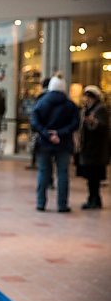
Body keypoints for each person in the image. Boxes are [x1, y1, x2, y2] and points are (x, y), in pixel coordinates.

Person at [31, 76, 79, 213]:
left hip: (44, 143)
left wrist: (46, 133)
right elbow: (75, 123)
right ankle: (62, 205)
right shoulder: (70, 105)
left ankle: (41, 203)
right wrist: (60, 133)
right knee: (63, 174)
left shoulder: (41, 102)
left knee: (43, 172)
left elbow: (34, 122)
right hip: (63, 143)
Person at [77, 85, 109, 209]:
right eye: (86, 96)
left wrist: (92, 122)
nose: (87, 99)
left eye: (89, 97)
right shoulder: (87, 109)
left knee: (94, 177)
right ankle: (93, 198)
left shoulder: (100, 109)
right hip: (89, 148)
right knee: (91, 177)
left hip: (96, 150)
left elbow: (102, 127)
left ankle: (94, 199)